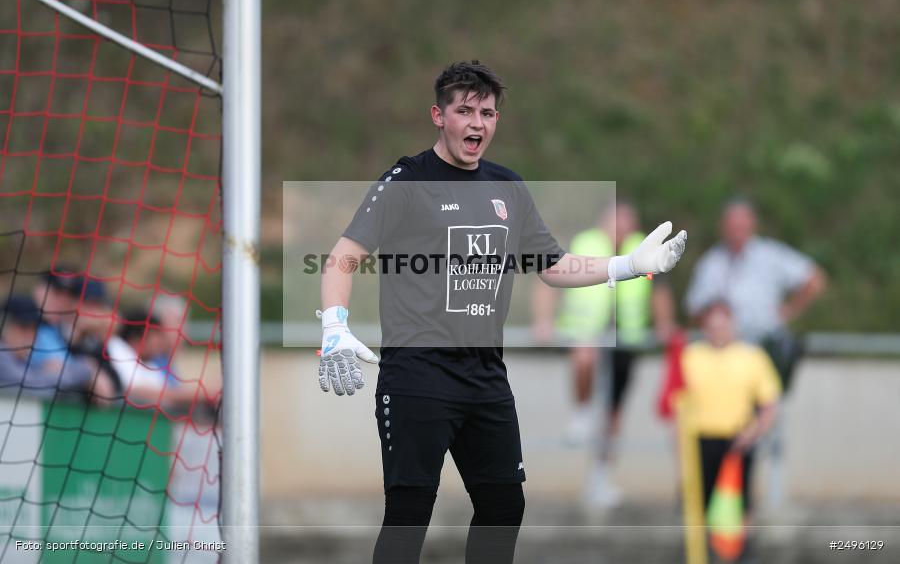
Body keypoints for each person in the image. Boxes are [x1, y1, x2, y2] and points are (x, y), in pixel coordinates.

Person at [316, 60, 688, 564]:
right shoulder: (407, 180)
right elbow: (343, 257)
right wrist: (334, 326)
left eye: (487, 113)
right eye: (464, 111)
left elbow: (552, 266)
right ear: (438, 116)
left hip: (485, 379)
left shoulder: (507, 188)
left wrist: (628, 265)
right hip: (417, 375)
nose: (477, 123)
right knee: (409, 513)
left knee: (503, 505)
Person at [531, 201, 677, 507]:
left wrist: (664, 325)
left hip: (627, 337)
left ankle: (601, 478)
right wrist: (543, 321)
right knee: (585, 356)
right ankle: (582, 413)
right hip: (586, 330)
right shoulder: (585, 242)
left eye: (626, 222)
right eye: (615, 221)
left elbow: (659, 288)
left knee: (613, 415)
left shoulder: (643, 247)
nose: (620, 228)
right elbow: (548, 275)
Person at [684, 198, 826, 507]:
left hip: (758, 353)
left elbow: (814, 279)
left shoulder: (770, 255)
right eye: (732, 225)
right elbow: (696, 307)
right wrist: (718, 327)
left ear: (752, 225)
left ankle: (746, 511)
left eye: (742, 224)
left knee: (758, 425)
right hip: (722, 359)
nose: (737, 231)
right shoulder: (712, 262)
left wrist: (788, 311)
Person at [680, 301, 781, 560]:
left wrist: (754, 432)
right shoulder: (691, 355)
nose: (718, 331)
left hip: (737, 441)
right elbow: (675, 400)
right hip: (699, 441)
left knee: (739, 504)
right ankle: (700, 554)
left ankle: (739, 555)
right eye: (712, 326)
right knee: (697, 503)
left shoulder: (752, 357)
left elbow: (769, 403)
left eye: (723, 325)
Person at [0, 294, 113, 402]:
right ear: (4, 325)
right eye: (23, 327)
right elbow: (34, 385)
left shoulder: (23, 359)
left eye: (34, 328)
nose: (31, 335)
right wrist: (86, 369)